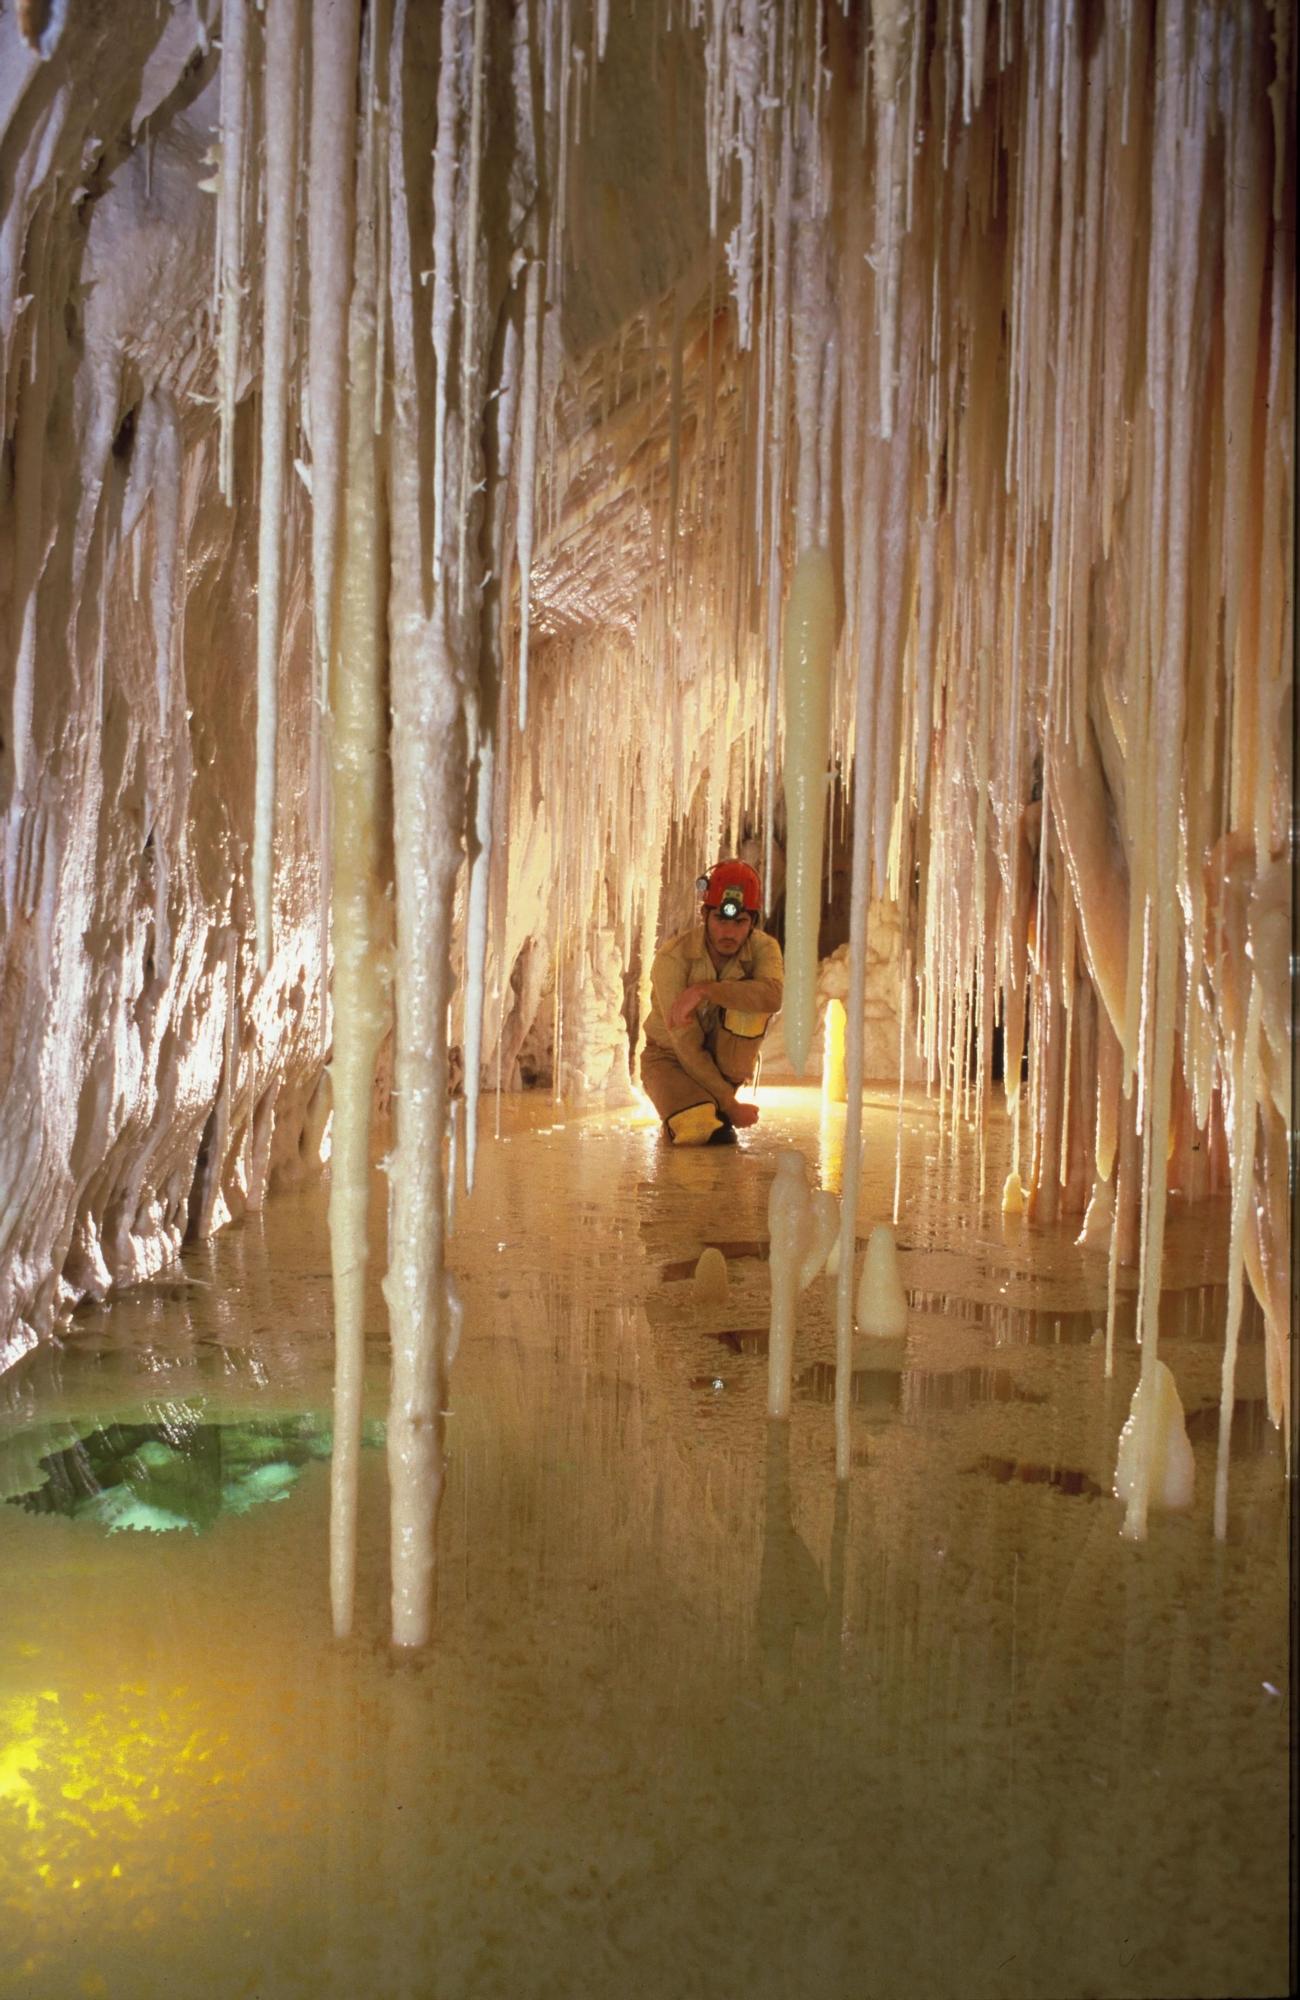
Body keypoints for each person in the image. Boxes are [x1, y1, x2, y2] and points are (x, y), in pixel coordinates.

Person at [640, 860, 784, 1145]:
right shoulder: (673, 959)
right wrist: (731, 1106)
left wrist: (705, 991)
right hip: (669, 1059)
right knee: (701, 1130)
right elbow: (686, 1046)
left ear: (752, 923)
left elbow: (772, 996)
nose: (729, 932)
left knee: (752, 1008)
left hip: (721, 1063)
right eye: (721, 919)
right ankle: (695, 1108)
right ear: (705, 915)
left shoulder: (764, 947)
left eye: (740, 922)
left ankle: (711, 1101)